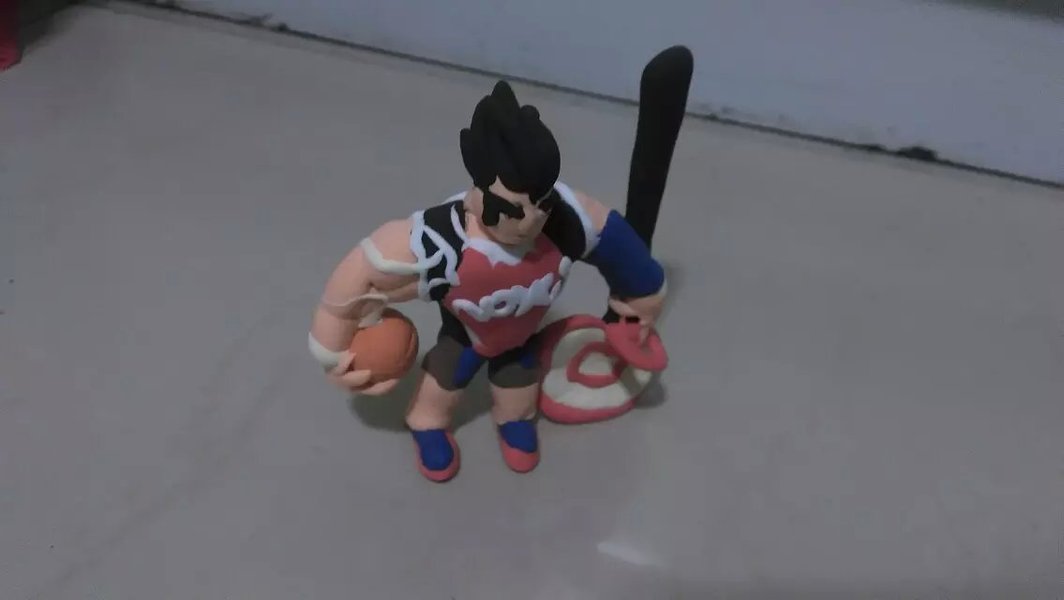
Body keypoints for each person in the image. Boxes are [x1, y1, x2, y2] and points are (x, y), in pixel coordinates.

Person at [308, 80, 667, 482]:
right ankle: (427, 424)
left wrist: (639, 303)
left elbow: (623, 251)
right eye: (513, 209)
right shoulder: (440, 241)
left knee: (518, 389)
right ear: (478, 192)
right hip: (466, 335)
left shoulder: (569, 219)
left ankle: (514, 421)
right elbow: (354, 280)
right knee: (443, 383)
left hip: (521, 335)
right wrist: (334, 352)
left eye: (542, 204)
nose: (531, 221)